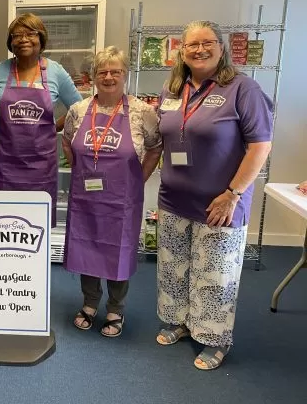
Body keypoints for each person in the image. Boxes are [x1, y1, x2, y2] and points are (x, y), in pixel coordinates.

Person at [156, 20, 273, 370]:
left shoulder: (243, 89)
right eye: (192, 44)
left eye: (208, 43)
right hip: (174, 199)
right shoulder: (173, 89)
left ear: (221, 49)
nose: (199, 49)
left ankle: (213, 337)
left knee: (215, 275)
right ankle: (179, 321)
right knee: (173, 270)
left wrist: (233, 193)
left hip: (220, 203)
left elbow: (260, 146)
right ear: (182, 51)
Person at [62, 46, 162, 337]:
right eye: (102, 71)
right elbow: (68, 141)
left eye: (115, 71)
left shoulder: (143, 112)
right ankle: (90, 302)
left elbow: (155, 147)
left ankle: (116, 308)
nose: (108, 77)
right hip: (85, 199)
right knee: (86, 246)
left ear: (125, 75)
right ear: (93, 76)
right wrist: (80, 170)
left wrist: (138, 180)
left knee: (119, 249)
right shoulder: (78, 110)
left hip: (122, 200)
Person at [0, 13, 82, 226]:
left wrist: (54, 127)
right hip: (6, 166)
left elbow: (78, 108)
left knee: (36, 228)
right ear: (10, 42)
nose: (23, 39)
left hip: (41, 167)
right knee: (5, 225)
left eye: (30, 33)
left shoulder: (55, 71)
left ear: (41, 38)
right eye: (16, 35)